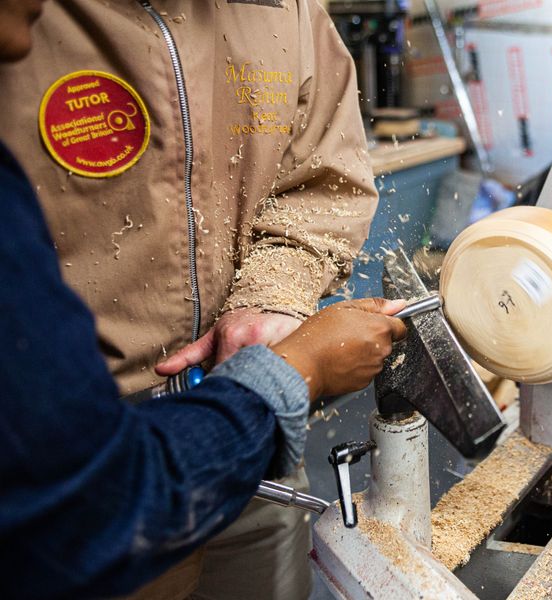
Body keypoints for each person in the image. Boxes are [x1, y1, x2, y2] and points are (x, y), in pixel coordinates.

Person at [0, 7, 407, 599]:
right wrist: (305, 367)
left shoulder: (283, 10)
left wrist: (270, 296)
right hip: (100, 464)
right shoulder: (23, 22)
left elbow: (325, 183)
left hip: (257, 440)